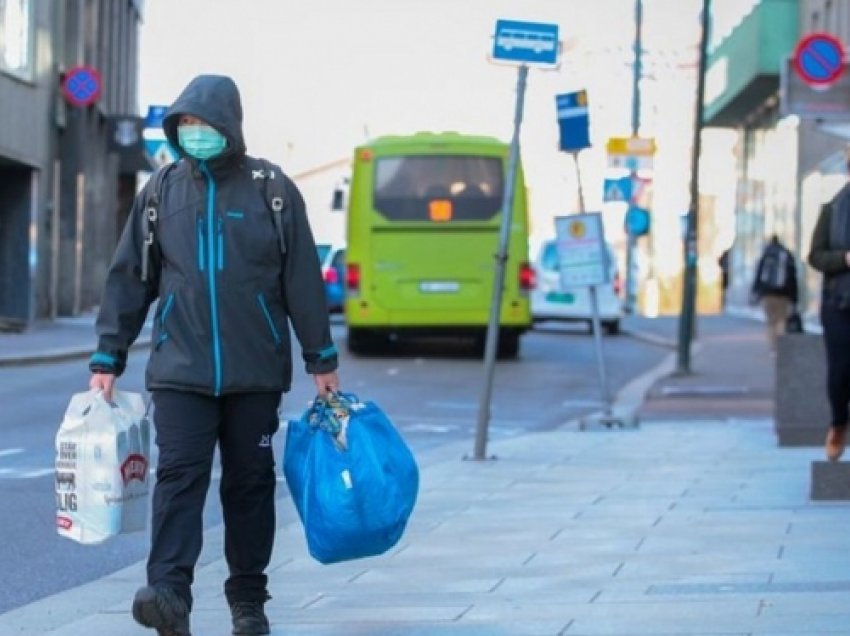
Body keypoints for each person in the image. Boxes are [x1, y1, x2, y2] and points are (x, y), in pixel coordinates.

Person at [88, 74, 340, 636]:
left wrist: (320, 359)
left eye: (204, 123)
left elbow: (301, 278)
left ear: (229, 124)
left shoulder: (271, 189)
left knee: (249, 483)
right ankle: (169, 594)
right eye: (186, 125)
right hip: (180, 370)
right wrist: (108, 357)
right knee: (178, 477)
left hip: (255, 372)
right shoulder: (161, 193)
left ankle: (248, 601)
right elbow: (130, 277)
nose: (195, 133)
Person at [808, 158, 850, 463]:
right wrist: (845, 259)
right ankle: (838, 424)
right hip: (839, 302)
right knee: (840, 373)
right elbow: (816, 256)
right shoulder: (834, 208)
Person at [750, 234, 798, 352]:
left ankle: (773, 347)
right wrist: (794, 297)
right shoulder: (786, 254)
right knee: (781, 320)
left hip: (768, 294)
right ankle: (780, 347)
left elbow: (759, 275)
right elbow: (792, 277)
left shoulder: (766, 255)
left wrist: (756, 292)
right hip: (784, 294)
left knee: (771, 321)